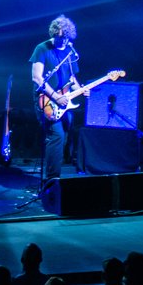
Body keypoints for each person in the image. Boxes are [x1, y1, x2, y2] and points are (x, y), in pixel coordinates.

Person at [30, 14, 84, 190]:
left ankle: (54, 176)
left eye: (66, 38)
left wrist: (81, 89)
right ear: (53, 34)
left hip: (64, 100)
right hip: (46, 100)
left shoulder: (70, 52)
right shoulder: (42, 48)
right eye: (60, 37)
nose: (63, 41)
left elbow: (72, 78)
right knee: (56, 135)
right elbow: (37, 78)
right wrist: (55, 96)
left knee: (64, 136)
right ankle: (52, 181)